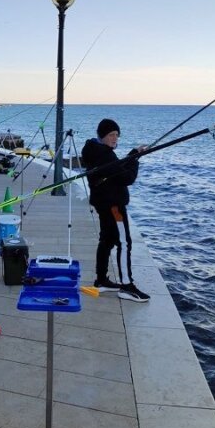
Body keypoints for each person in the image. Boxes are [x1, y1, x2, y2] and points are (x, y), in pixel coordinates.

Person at [81, 118, 151, 303]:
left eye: (117, 135)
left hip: (103, 202)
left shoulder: (95, 150)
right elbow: (127, 177)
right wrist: (135, 161)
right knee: (124, 242)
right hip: (113, 205)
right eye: (111, 134)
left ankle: (101, 280)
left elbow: (115, 168)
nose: (115, 138)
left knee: (107, 239)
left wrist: (134, 154)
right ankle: (127, 286)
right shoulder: (105, 155)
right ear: (102, 135)